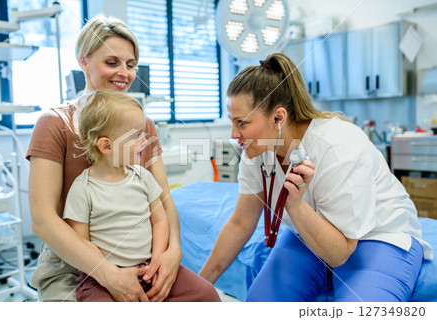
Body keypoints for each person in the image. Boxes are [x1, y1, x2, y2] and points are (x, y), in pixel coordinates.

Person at [199, 52, 433, 302]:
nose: (234, 134)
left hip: (378, 237)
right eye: (231, 122)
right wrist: (197, 287)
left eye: (242, 122)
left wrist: (295, 206)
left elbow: (340, 253)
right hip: (309, 235)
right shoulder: (256, 152)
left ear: (278, 118)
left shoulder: (336, 145)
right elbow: (241, 223)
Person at [27, 14, 220, 302]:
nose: (125, 73)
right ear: (83, 62)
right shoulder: (55, 124)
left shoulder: (144, 125)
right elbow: (43, 220)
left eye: (131, 65)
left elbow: (165, 200)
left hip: (141, 259)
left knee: (207, 298)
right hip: (73, 263)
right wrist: (108, 274)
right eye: (112, 62)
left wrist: (172, 252)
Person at [64, 90, 188, 302]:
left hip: (148, 265)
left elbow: (159, 220)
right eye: (136, 136)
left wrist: (157, 260)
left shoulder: (144, 177)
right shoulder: (82, 189)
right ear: (106, 146)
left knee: (206, 294)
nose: (145, 141)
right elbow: (81, 242)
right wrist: (112, 273)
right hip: (103, 276)